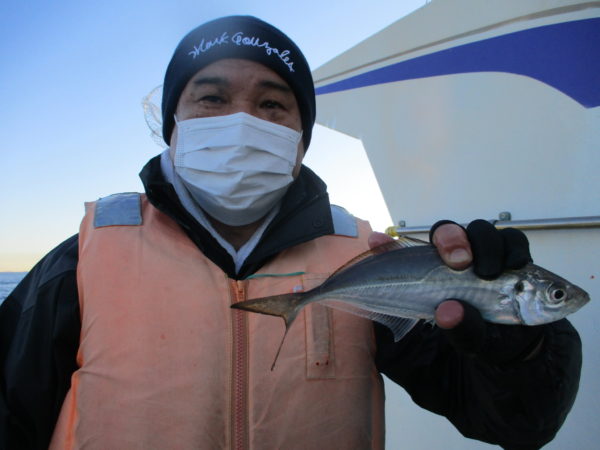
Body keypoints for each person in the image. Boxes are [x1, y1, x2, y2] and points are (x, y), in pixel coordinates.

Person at [0, 15, 581, 450]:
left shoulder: (366, 256)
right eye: (212, 97)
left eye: (273, 104)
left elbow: (518, 426)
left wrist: (518, 350)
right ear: (173, 125)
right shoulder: (82, 262)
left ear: (301, 139)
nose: (242, 120)